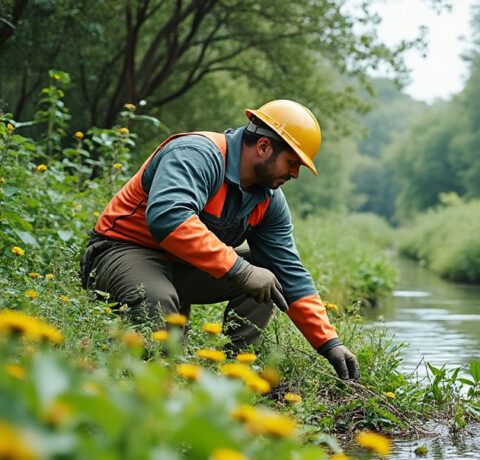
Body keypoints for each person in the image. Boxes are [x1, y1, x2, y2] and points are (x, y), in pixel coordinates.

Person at [79, 99, 359, 380]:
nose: (295, 174)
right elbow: (168, 218)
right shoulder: (196, 154)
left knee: (268, 276)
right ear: (264, 147)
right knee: (156, 299)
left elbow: (290, 272)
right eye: (292, 162)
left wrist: (329, 343)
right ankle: (152, 383)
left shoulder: (269, 199)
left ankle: (233, 377)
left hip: (180, 266)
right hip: (121, 250)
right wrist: (241, 270)